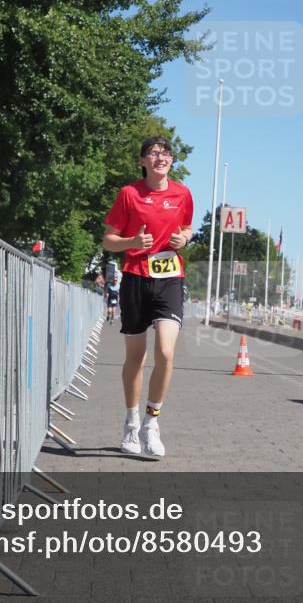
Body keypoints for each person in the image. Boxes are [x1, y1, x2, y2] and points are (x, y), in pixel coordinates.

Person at [102, 136, 193, 457]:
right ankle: (130, 423)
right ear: (142, 161)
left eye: (166, 153)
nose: (161, 157)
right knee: (136, 357)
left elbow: (186, 228)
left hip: (169, 277)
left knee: (166, 352)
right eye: (154, 153)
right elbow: (109, 241)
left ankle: (152, 423)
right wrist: (131, 243)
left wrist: (184, 237)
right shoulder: (129, 194)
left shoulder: (182, 193)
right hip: (136, 279)